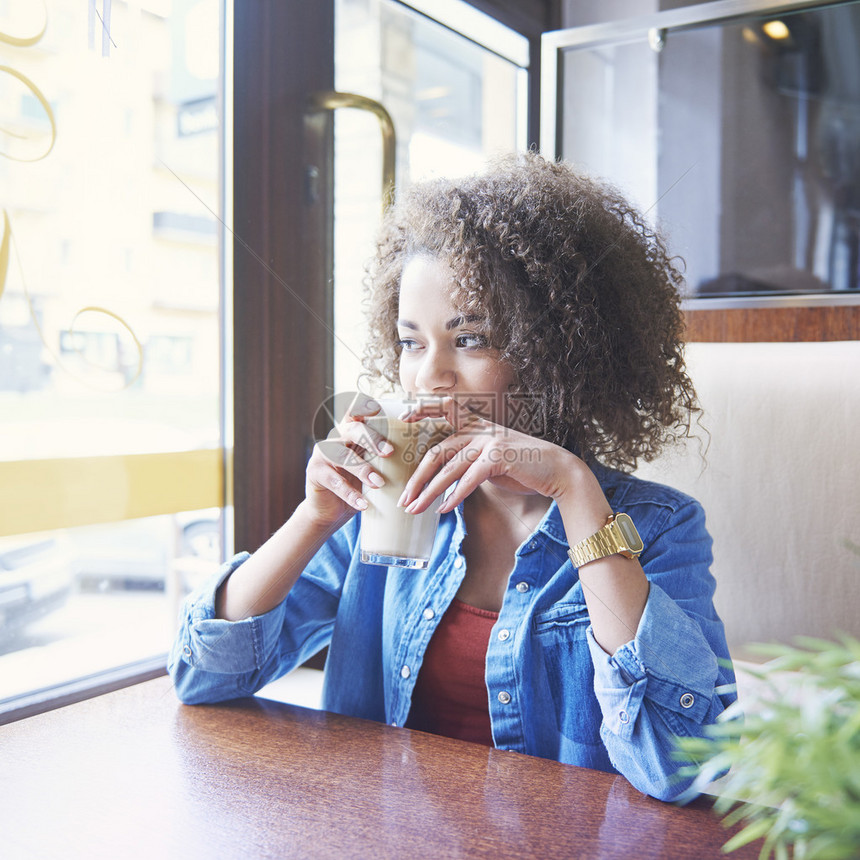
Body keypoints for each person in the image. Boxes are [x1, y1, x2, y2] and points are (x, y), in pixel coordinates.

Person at [169, 151, 735, 802]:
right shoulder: (394, 500)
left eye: (469, 339)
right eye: (412, 342)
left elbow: (682, 766)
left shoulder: (662, 528)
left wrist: (576, 490)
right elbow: (200, 676)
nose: (428, 377)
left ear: (558, 354)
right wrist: (315, 517)